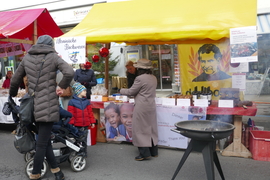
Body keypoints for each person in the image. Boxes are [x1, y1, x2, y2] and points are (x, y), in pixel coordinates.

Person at [9, 35, 74, 180]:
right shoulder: (53, 57)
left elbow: (14, 79)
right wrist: (61, 87)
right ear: (50, 45)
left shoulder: (27, 58)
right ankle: (35, 173)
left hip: (31, 106)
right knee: (42, 142)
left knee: (43, 140)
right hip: (48, 105)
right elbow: (69, 72)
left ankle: (57, 171)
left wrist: (12, 94)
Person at [120, 58, 158, 161]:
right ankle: (153, 151)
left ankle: (144, 153)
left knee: (140, 129)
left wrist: (120, 90)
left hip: (141, 106)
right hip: (151, 105)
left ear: (140, 68)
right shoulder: (154, 77)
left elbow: (131, 92)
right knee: (151, 127)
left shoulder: (140, 78)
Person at [67, 82, 96, 156]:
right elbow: (71, 114)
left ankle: (83, 153)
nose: (86, 92)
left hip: (85, 124)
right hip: (76, 125)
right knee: (77, 140)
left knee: (84, 140)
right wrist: (71, 124)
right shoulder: (72, 102)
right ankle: (76, 153)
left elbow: (90, 113)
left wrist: (92, 122)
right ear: (79, 92)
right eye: (84, 91)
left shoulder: (87, 102)